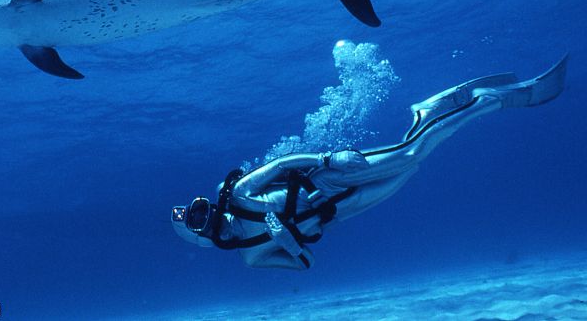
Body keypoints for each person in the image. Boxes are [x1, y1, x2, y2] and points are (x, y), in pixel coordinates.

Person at [171, 57, 567, 270]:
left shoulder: (239, 193)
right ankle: (425, 114)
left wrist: (329, 157)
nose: (206, 214)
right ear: (199, 237)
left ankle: (491, 101)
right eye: (197, 219)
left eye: (200, 207)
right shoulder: (251, 257)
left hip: (327, 180)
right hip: (342, 210)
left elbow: (282, 164)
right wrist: (287, 243)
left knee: (412, 154)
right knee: (413, 165)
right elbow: (306, 263)